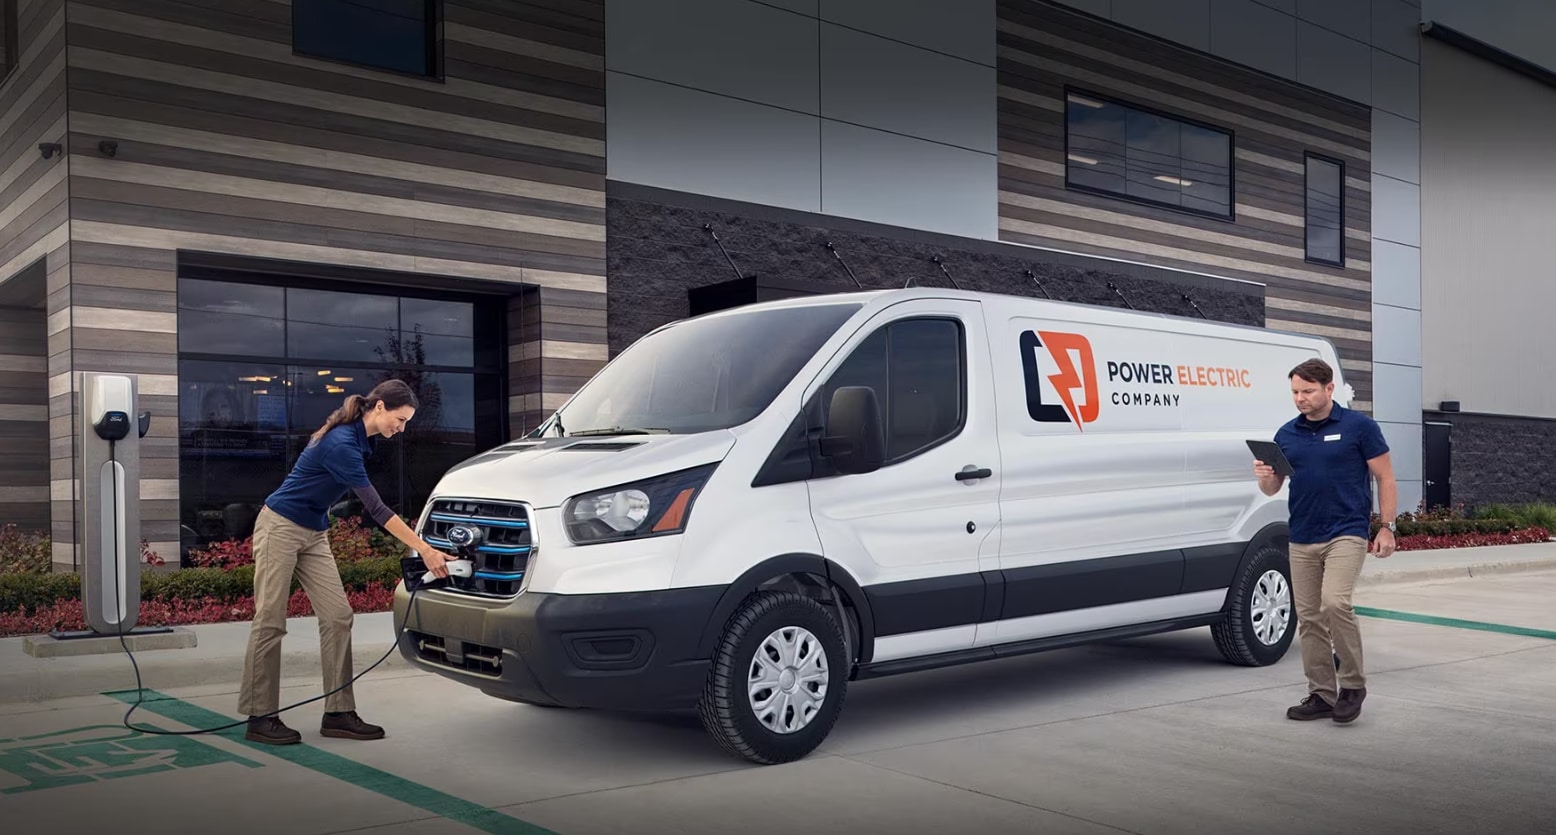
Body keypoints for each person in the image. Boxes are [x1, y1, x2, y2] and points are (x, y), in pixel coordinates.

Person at [238, 379, 457, 745]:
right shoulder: (342, 443)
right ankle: (259, 717)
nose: (400, 429)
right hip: (280, 527)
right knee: (271, 620)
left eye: (406, 424)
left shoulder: (359, 439)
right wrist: (426, 549)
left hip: (313, 530)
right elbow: (376, 509)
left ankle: (338, 712)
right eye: (400, 420)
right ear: (381, 407)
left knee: (338, 617)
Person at [1253, 358, 1396, 725]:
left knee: (1335, 603)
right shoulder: (1286, 434)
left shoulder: (1359, 428)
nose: (1300, 398)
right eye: (1295, 392)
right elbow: (1272, 488)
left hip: (1346, 531)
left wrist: (1387, 526)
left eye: (1307, 391)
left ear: (1329, 389)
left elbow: (1385, 478)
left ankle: (1352, 685)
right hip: (1302, 534)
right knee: (1310, 618)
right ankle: (1321, 694)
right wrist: (1265, 475)